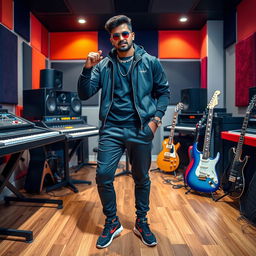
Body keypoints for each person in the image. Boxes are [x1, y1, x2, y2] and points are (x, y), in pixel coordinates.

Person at [77, 15, 170, 249]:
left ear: (132, 35)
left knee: (142, 177)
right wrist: (87, 69)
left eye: (125, 34)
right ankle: (112, 222)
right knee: (103, 176)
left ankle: (141, 221)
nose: (121, 38)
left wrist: (156, 121)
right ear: (111, 39)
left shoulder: (150, 62)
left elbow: (164, 93)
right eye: (116, 35)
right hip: (111, 129)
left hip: (141, 129)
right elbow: (84, 93)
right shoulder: (103, 66)